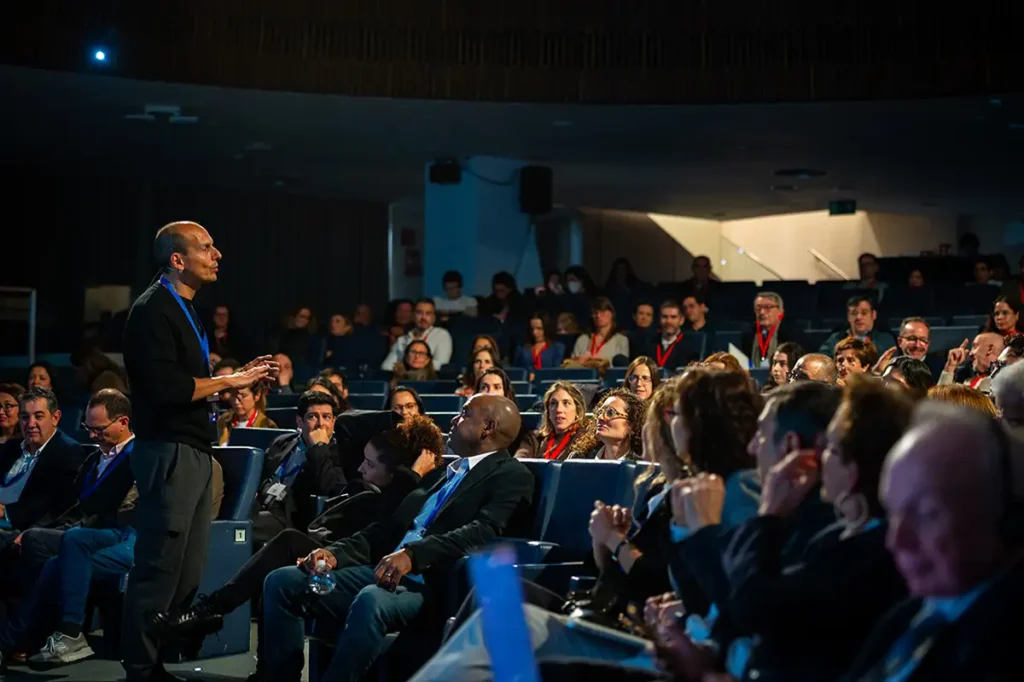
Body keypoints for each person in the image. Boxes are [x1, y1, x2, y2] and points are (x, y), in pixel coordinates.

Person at [260, 394, 534, 681]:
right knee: (283, 582)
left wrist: (414, 555)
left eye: (465, 414)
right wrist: (335, 554)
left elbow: (482, 532)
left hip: (428, 581)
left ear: (487, 428)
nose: (454, 419)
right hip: (384, 569)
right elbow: (388, 529)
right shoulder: (444, 472)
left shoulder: (512, 475)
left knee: (371, 600)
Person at [120, 220, 278, 682]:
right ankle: (141, 668)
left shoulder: (188, 309)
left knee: (188, 571)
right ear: (177, 259)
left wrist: (230, 384)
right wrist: (230, 381)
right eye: (206, 247)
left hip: (193, 448)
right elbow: (164, 387)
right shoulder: (153, 311)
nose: (217, 254)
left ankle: (157, 660)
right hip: (168, 452)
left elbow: (189, 387)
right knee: (160, 566)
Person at [840, 402, 1024, 681]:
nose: (896, 541)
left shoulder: (1004, 651)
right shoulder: (912, 612)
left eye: (926, 515)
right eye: (893, 512)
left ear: (1005, 513)